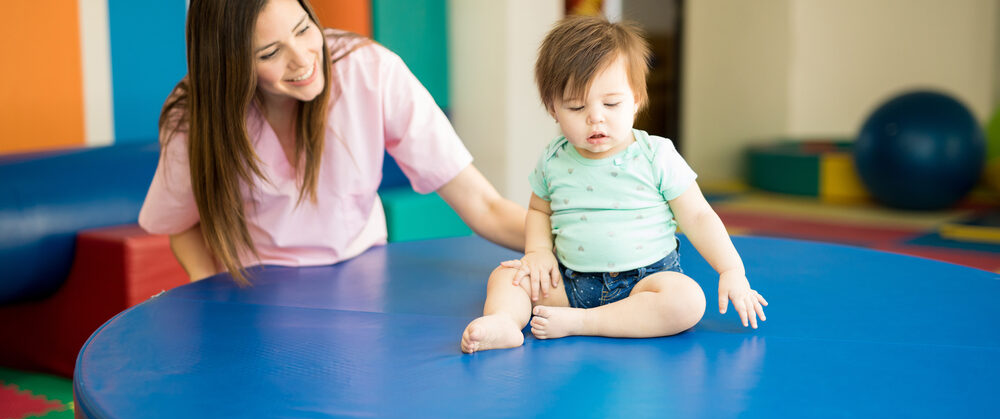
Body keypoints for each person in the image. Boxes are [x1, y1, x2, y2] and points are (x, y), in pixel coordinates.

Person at [139, 0, 525, 284]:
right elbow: (181, 225)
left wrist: (558, 241)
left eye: (303, 28)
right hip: (255, 290)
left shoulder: (371, 71)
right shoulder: (195, 113)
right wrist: (208, 288)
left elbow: (485, 205)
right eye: (270, 53)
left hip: (362, 277)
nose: (303, 59)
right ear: (230, 66)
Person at [460, 16, 767, 353]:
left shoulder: (656, 155)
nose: (596, 117)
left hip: (646, 282)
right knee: (507, 277)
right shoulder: (553, 159)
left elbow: (698, 216)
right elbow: (538, 210)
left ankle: (582, 322)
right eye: (576, 106)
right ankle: (504, 322)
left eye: (611, 103)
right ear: (553, 109)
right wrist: (538, 252)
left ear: (636, 99)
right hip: (571, 283)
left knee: (687, 300)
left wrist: (730, 269)